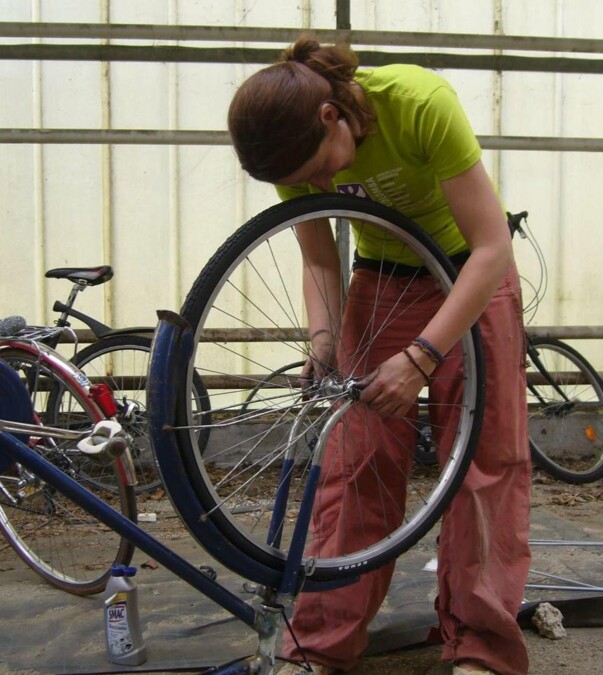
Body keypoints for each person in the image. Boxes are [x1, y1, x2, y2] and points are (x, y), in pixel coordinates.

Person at [227, 37, 532, 675]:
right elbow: (317, 256)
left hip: (470, 278)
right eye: (302, 182)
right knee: (356, 460)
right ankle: (320, 645)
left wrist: (424, 355)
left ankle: (481, 648)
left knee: (486, 463)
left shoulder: (419, 103)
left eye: (317, 168)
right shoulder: (295, 158)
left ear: (331, 114)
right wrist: (323, 338)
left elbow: (491, 246)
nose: (317, 184)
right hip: (384, 279)